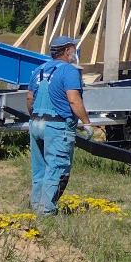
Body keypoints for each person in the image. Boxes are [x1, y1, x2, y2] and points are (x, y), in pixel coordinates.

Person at [29, 35, 89, 217]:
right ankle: (46, 211)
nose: (75, 52)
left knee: (39, 168)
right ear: (67, 51)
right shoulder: (69, 71)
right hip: (57, 126)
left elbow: (29, 98)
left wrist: (34, 117)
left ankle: (35, 205)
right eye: (73, 48)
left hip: (36, 123)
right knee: (58, 168)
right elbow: (73, 99)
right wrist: (87, 122)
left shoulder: (38, 70)